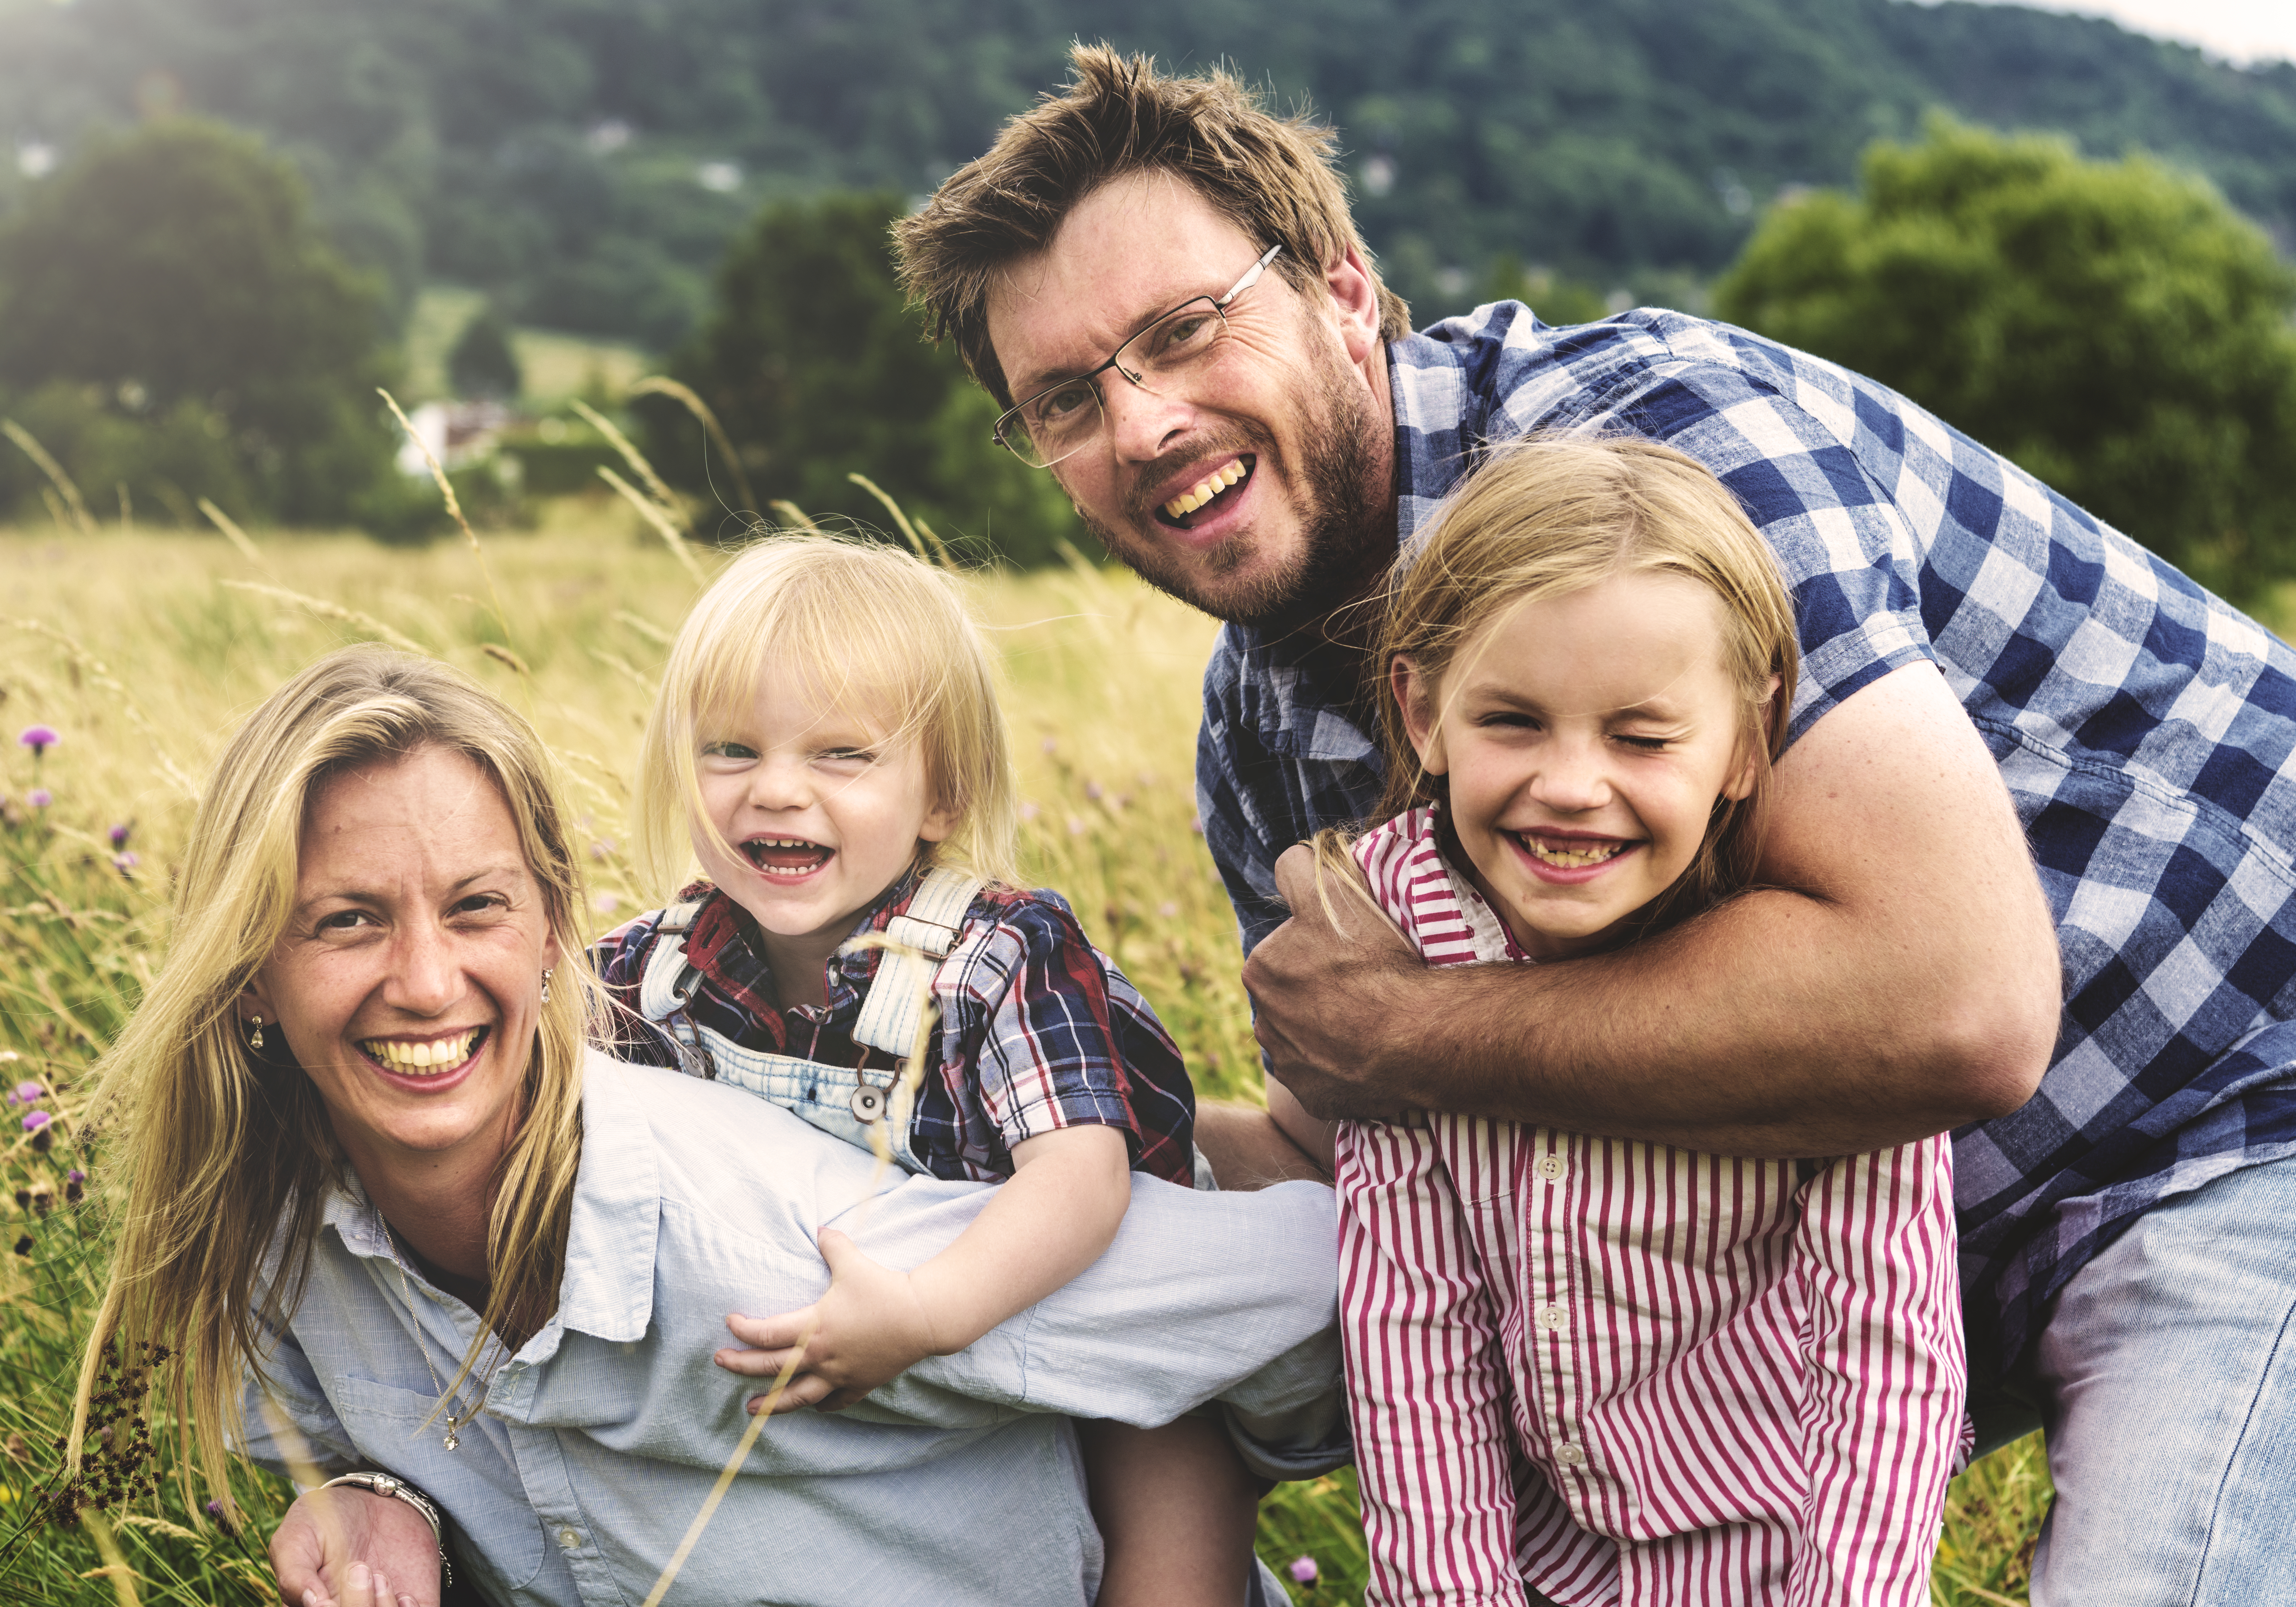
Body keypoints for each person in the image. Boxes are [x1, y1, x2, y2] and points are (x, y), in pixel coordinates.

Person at [894, 44, 2296, 1604]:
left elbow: (1960, 1005)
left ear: (1343, 295)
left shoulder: (1649, 459)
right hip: (1891, 1246)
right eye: (1068, 399)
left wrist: (1413, 1030)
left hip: (2227, 1108)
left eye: (1184, 330)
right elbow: (1351, 1130)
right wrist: (991, 1134)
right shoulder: (1261, 730)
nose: (1145, 421)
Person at [66, 645, 1343, 1607]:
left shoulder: (792, 1245)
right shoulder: (272, 1249)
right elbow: (347, 1431)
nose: (423, 979)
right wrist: (373, 1490)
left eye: (475, 908)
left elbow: (1314, 1291)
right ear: (248, 975)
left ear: (553, 931)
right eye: (346, 919)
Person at [1325, 435, 1962, 1605]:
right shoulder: (1400, 930)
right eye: (1511, 721)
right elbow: (1413, 1321)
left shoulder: (1812, 975)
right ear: (1422, 715)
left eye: (1641, 736)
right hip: (1540, 1560)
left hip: (1791, 1560)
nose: (1572, 784)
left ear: (1745, 740)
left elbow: (1886, 1346)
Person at [592, 534, 1256, 1604]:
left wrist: (929, 1313)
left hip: (1081, 1291)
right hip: (850, 1358)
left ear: (939, 796)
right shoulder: (651, 972)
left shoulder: (997, 956)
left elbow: (1081, 1179)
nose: (775, 792)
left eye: (840, 756)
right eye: (729, 751)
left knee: (1168, 1457)